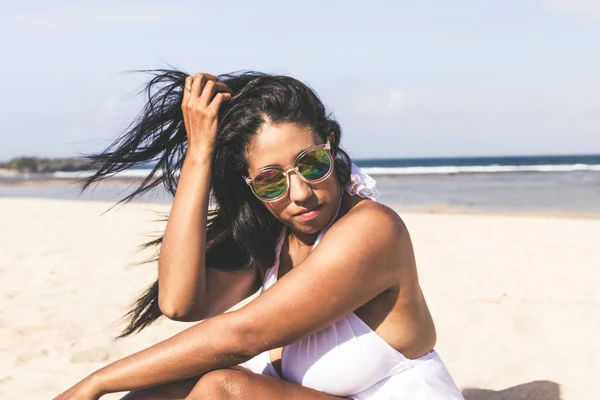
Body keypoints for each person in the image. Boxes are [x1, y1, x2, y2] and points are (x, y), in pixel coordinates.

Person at [54, 70, 464, 399]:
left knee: (221, 388)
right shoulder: (275, 238)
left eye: (312, 163)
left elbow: (240, 336)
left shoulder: (372, 229)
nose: (301, 192)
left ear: (331, 145)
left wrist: (97, 382)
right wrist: (199, 154)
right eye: (271, 181)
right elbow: (179, 302)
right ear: (249, 184)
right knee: (161, 391)